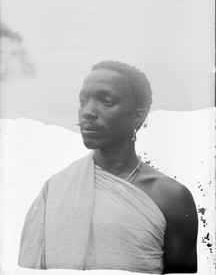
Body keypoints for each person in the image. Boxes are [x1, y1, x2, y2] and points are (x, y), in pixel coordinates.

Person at [18, 61, 198, 274]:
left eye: (106, 100)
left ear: (138, 116)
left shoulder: (172, 198)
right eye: (83, 101)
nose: (87, 112)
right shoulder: (55, 189)